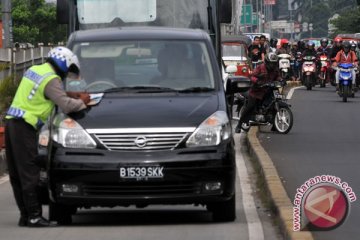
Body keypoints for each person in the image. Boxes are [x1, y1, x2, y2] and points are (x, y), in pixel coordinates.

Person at [4, 46, 90, 227]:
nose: (67, 74)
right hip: (25, 126)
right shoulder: (52, 79)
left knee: (17, 175)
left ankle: (25, 216)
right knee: (30, 174)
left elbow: (47, 92)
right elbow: (66, 106)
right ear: (63, 63)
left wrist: (68, 94)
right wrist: (82, 101)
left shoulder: (36, 70)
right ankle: (35, 216)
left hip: (12, 123)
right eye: (68, 70)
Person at [235, 53, 281, 133]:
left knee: (274, 103)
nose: (272, 65)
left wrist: (281, 80)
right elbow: (252, 76)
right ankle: (239, 125)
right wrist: (258, 81)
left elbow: (278, 77)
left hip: (269, 89)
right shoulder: (260, 67)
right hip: (257, 90)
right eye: (271, 63)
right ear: (267, 62)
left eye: (274, 63)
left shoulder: (275, 70)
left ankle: (274, 125)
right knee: (250, 106)